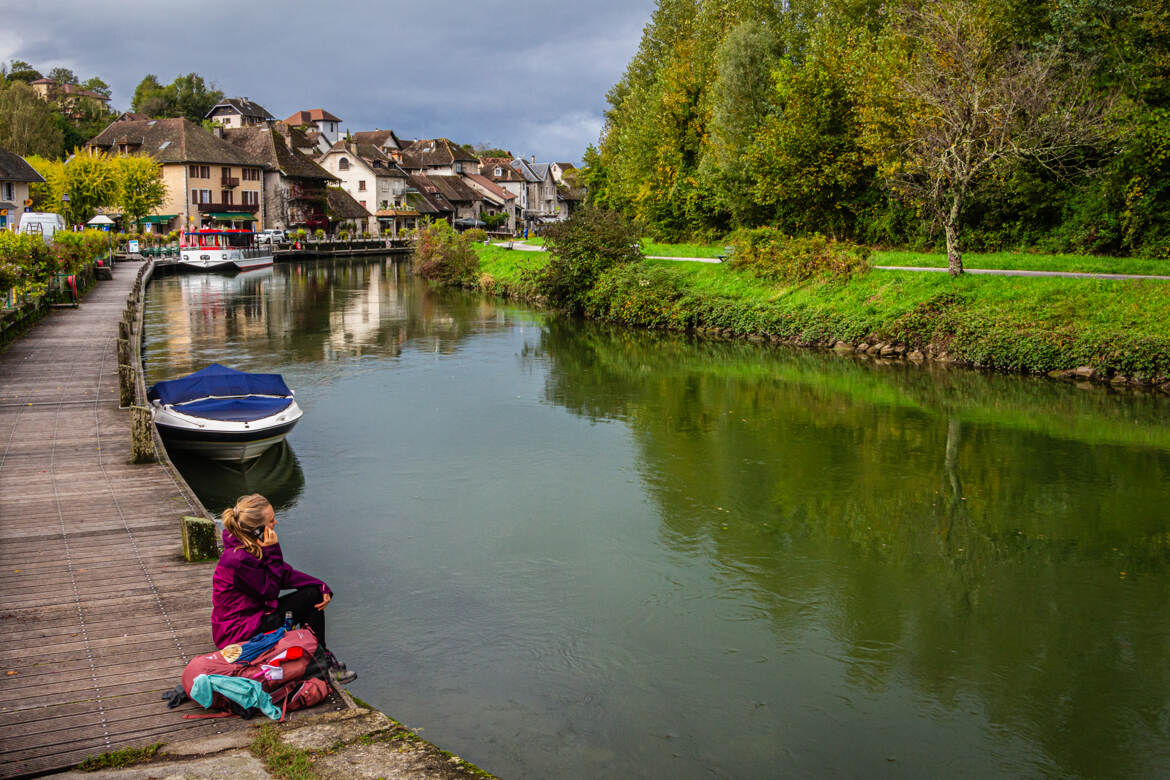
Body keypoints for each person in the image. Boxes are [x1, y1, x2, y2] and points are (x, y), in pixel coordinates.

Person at [211, 493, 355, 683]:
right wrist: (273, 550)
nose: (276, 522)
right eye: (271, 520)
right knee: (310, 599)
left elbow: (284, 574)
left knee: (313, 593)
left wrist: (321, 586)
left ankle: (317, 657)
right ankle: (321, 663)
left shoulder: (248, 546)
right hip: (238, 632)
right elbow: (270, 590)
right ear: (256, 529)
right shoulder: (239, 559)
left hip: (252, 618)